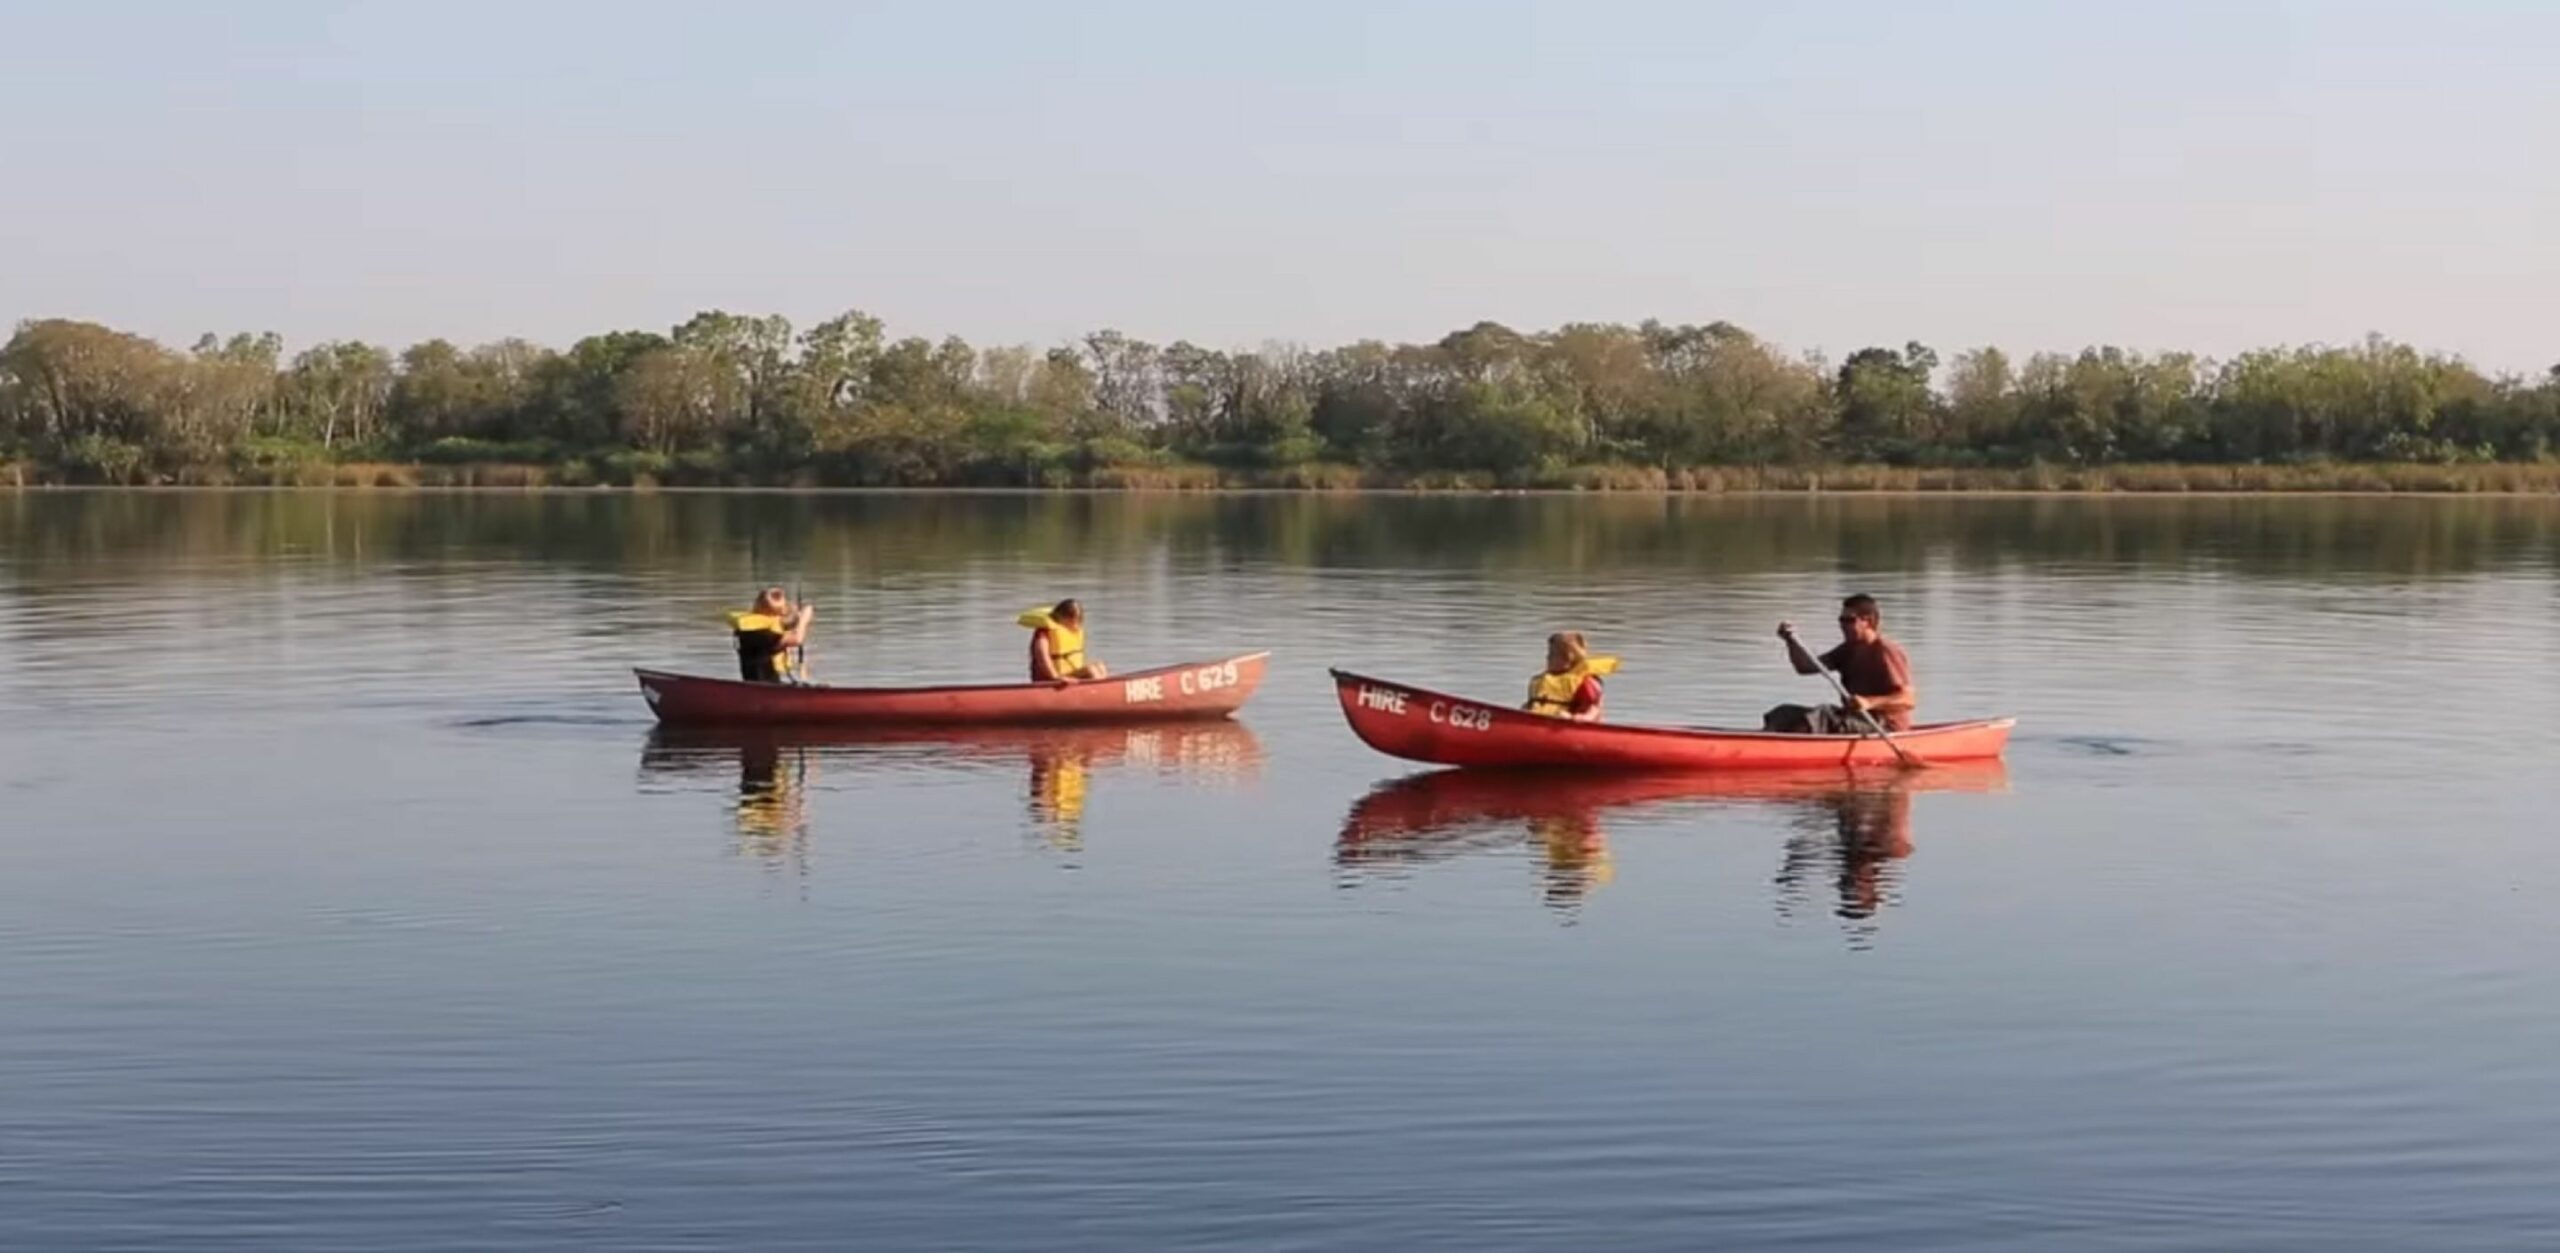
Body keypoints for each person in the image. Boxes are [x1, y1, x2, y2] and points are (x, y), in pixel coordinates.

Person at [1769, 593, 1917, 733]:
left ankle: (1786, 749)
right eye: (1841, 620)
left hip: (1883, 726)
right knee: (1784, 713)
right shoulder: (1847, 649)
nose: (1843, 625)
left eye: (1849, 620)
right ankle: (1768, 742)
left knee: (1824, 715)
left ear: (1868, 621)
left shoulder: (1886, 650)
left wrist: (1869, 702)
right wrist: (1791, 642)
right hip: (1853, 719)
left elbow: (1908, 699)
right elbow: (1805, 667)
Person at [1523, 631, 1617, 722]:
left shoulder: (1584, 682)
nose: (1547, 657)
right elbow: (1532, 704)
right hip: (1543, 723)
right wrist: (1524, 710)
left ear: (1568, 659)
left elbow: (1594, 709)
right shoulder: (1542, 680)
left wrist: (1578, 718)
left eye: (1552, 654)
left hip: (1576, 728)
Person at [728, 586, 813, 684]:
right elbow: (797, 639)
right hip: (764, 686)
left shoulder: (747, 630)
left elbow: (783, 626)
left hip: (756, 683)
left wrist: (796, 616)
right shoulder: (763, 635)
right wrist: (804, 619)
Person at [1020, 598, 1109, 683]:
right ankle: (1101, 693)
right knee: (1091, 670)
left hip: (1069, 674)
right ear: (1062, 617)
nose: (1077, 623)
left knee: (1100, 666)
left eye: (1079, 619)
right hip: (1048, 679)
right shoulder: (1044, 633)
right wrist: (1055, 677)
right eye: (1074, 619)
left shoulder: (1069, 630)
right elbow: (1042, 656)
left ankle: (1105, 691)